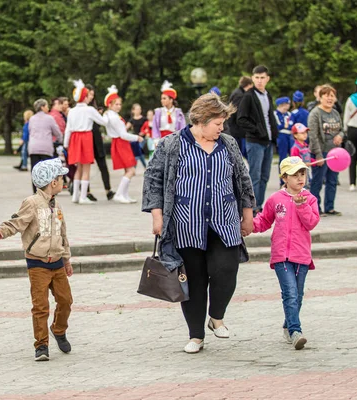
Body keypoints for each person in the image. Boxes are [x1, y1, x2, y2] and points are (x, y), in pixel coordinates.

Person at [142, 93, 255, 354]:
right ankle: (196, 335)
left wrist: (247, 213)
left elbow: (243, 177)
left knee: (227, 270)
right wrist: (157, 216)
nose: (222, 128)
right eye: (218, 123)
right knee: (193, 281)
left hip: (224, 221)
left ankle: (216, 316)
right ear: (202, 121)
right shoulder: (172, 144)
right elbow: (153, 179)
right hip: (185, 223)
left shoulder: (228, 144)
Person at [0, 159, 73, 362]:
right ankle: (41, 345)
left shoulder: (57, 204)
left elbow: (63, 233)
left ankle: (58, 329)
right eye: (61, 178)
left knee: (66, 300)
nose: (63, 181)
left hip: (58, 262)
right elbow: (16, 223)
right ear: (53, 182)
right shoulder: (32, 203)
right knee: (40, 306)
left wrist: (67, 259)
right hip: (38, 264)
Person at [252, 156, 320, 350]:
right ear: (284, 177)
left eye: (302, 173)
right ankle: (296, 330)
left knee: (298, 295)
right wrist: (248, 225)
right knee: (289, 293)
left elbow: (311, 223)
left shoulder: (310, 198)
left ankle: (288, 324)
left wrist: (302, 205)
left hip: (302, 255)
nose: (300, 178)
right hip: (281, 255)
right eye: (294, 175)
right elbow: (264, 221)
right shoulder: (275, 199)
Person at [237, 65, 279, 214]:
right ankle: (252, 207)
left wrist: (274, 133)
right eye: (257, 78)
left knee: (265, 176)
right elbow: (241, 119)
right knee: (255, 175)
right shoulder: (248, 96)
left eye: (262, 78)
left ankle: (259, 205)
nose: (259, 81)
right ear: (253, 78)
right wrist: (257, 130)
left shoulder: (267, 95)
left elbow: (269, 116)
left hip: (267, 141)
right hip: (255, 141)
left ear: (267, 79)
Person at [63, 79, 108, 205]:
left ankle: (75, 196)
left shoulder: (71, 111)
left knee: (79, 168)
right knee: (86, 169)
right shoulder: (89, 110)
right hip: (86, 138)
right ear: (84, 96)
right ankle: (83, 196)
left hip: (74, 139)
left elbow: (68, 129)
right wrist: (105, 115)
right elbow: (103, 122)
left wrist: (66, 144)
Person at [308, 84, 344, 216]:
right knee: (317, 181)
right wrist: (318, 154)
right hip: (321, 152)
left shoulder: (335, 113)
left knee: (332, 181)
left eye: (332, 96)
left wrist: (340, 136)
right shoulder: (315, 113)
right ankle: (315, 208)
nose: (330, 98)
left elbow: (342, 130)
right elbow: (313, 135)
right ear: (321, 97)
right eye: (327, 96)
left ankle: (330, 207)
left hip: (335, 154)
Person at [103, 86, 143, 204]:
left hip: (119, 143)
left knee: (128, 170)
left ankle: (124, 195)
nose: (119, 106)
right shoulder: (114, 117)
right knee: (131, 171)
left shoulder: (111, 115)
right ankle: (120, 194)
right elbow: (123, 134)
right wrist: (137, 137)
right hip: (121, 143)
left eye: (120, 104)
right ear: (110, 104)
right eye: (116, 104)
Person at [28, 99, 62, 193]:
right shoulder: (49, 118)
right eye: (46, 106)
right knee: (47, 171)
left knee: (35, 171)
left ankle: (36, 191)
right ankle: (47, 191)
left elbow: (30, 130)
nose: (48, 108)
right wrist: (60, 140)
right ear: (42, 107)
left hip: (33, 148)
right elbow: (57, 132)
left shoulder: (32, 118)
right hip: (46, 148)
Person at [87, 96, 115, 202]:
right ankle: (87, 191)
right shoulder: (86, 109)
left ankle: (108, 190)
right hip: (89, 139)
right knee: (86, 168)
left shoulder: (92, 107)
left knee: (103, 166)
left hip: (96, 139)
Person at [344, 73, 357, 191]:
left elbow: (346, 117)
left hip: (352, 130)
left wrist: (345, 131)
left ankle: (352, 183)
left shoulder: (351, 99)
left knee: (352, 157)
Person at [227, 77, 254, 158]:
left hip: (237, 129)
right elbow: (237, 113)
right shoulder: (239, 95)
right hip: (238, 130)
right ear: (249, 85)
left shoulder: (238, 93)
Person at [274, 97, 295, 183]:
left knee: (292, 157)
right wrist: (284, 125)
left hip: (290, 135)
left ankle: (292, 177)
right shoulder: (275, 114)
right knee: (282, 158)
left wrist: (286, 126)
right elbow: (278, 126)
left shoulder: (289, 114)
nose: (286, 107)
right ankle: (282, 180)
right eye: (284, 105)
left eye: (287, 105)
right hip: (281, 135)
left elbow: (291, 126)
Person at [125, 103, 148, 168]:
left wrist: (144, 132)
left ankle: (134, 168)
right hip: (135, 139)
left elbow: (148, 127)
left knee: (138, 151)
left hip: (142, 139)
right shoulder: (132, 120)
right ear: (133, 110)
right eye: (137, 109)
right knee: (139, 152)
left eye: (139, 109)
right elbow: (125, 128)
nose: (139, 110)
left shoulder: (144, 119)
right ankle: (146, 167)